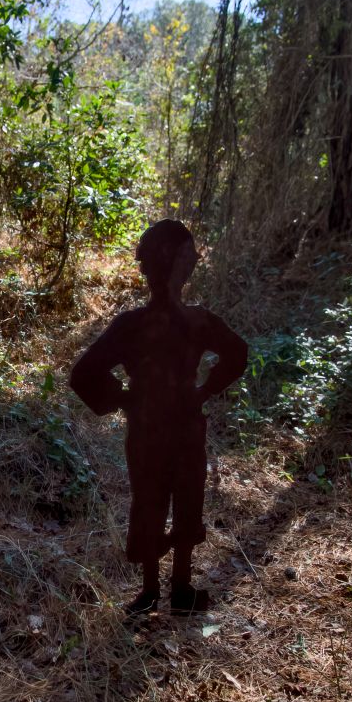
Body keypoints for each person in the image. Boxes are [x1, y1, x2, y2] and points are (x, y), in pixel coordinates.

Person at [69, 219, 247, 616]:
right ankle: (176, 588)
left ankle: (156, 590)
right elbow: (238, 353)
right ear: (184, 268)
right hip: (180, 423)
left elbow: (84, 374)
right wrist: (203, 390)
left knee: (157, 500)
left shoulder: (135, 325)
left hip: (151, 427)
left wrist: (125, 400)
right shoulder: (195, 321)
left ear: (145, 269)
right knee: (178, 499)